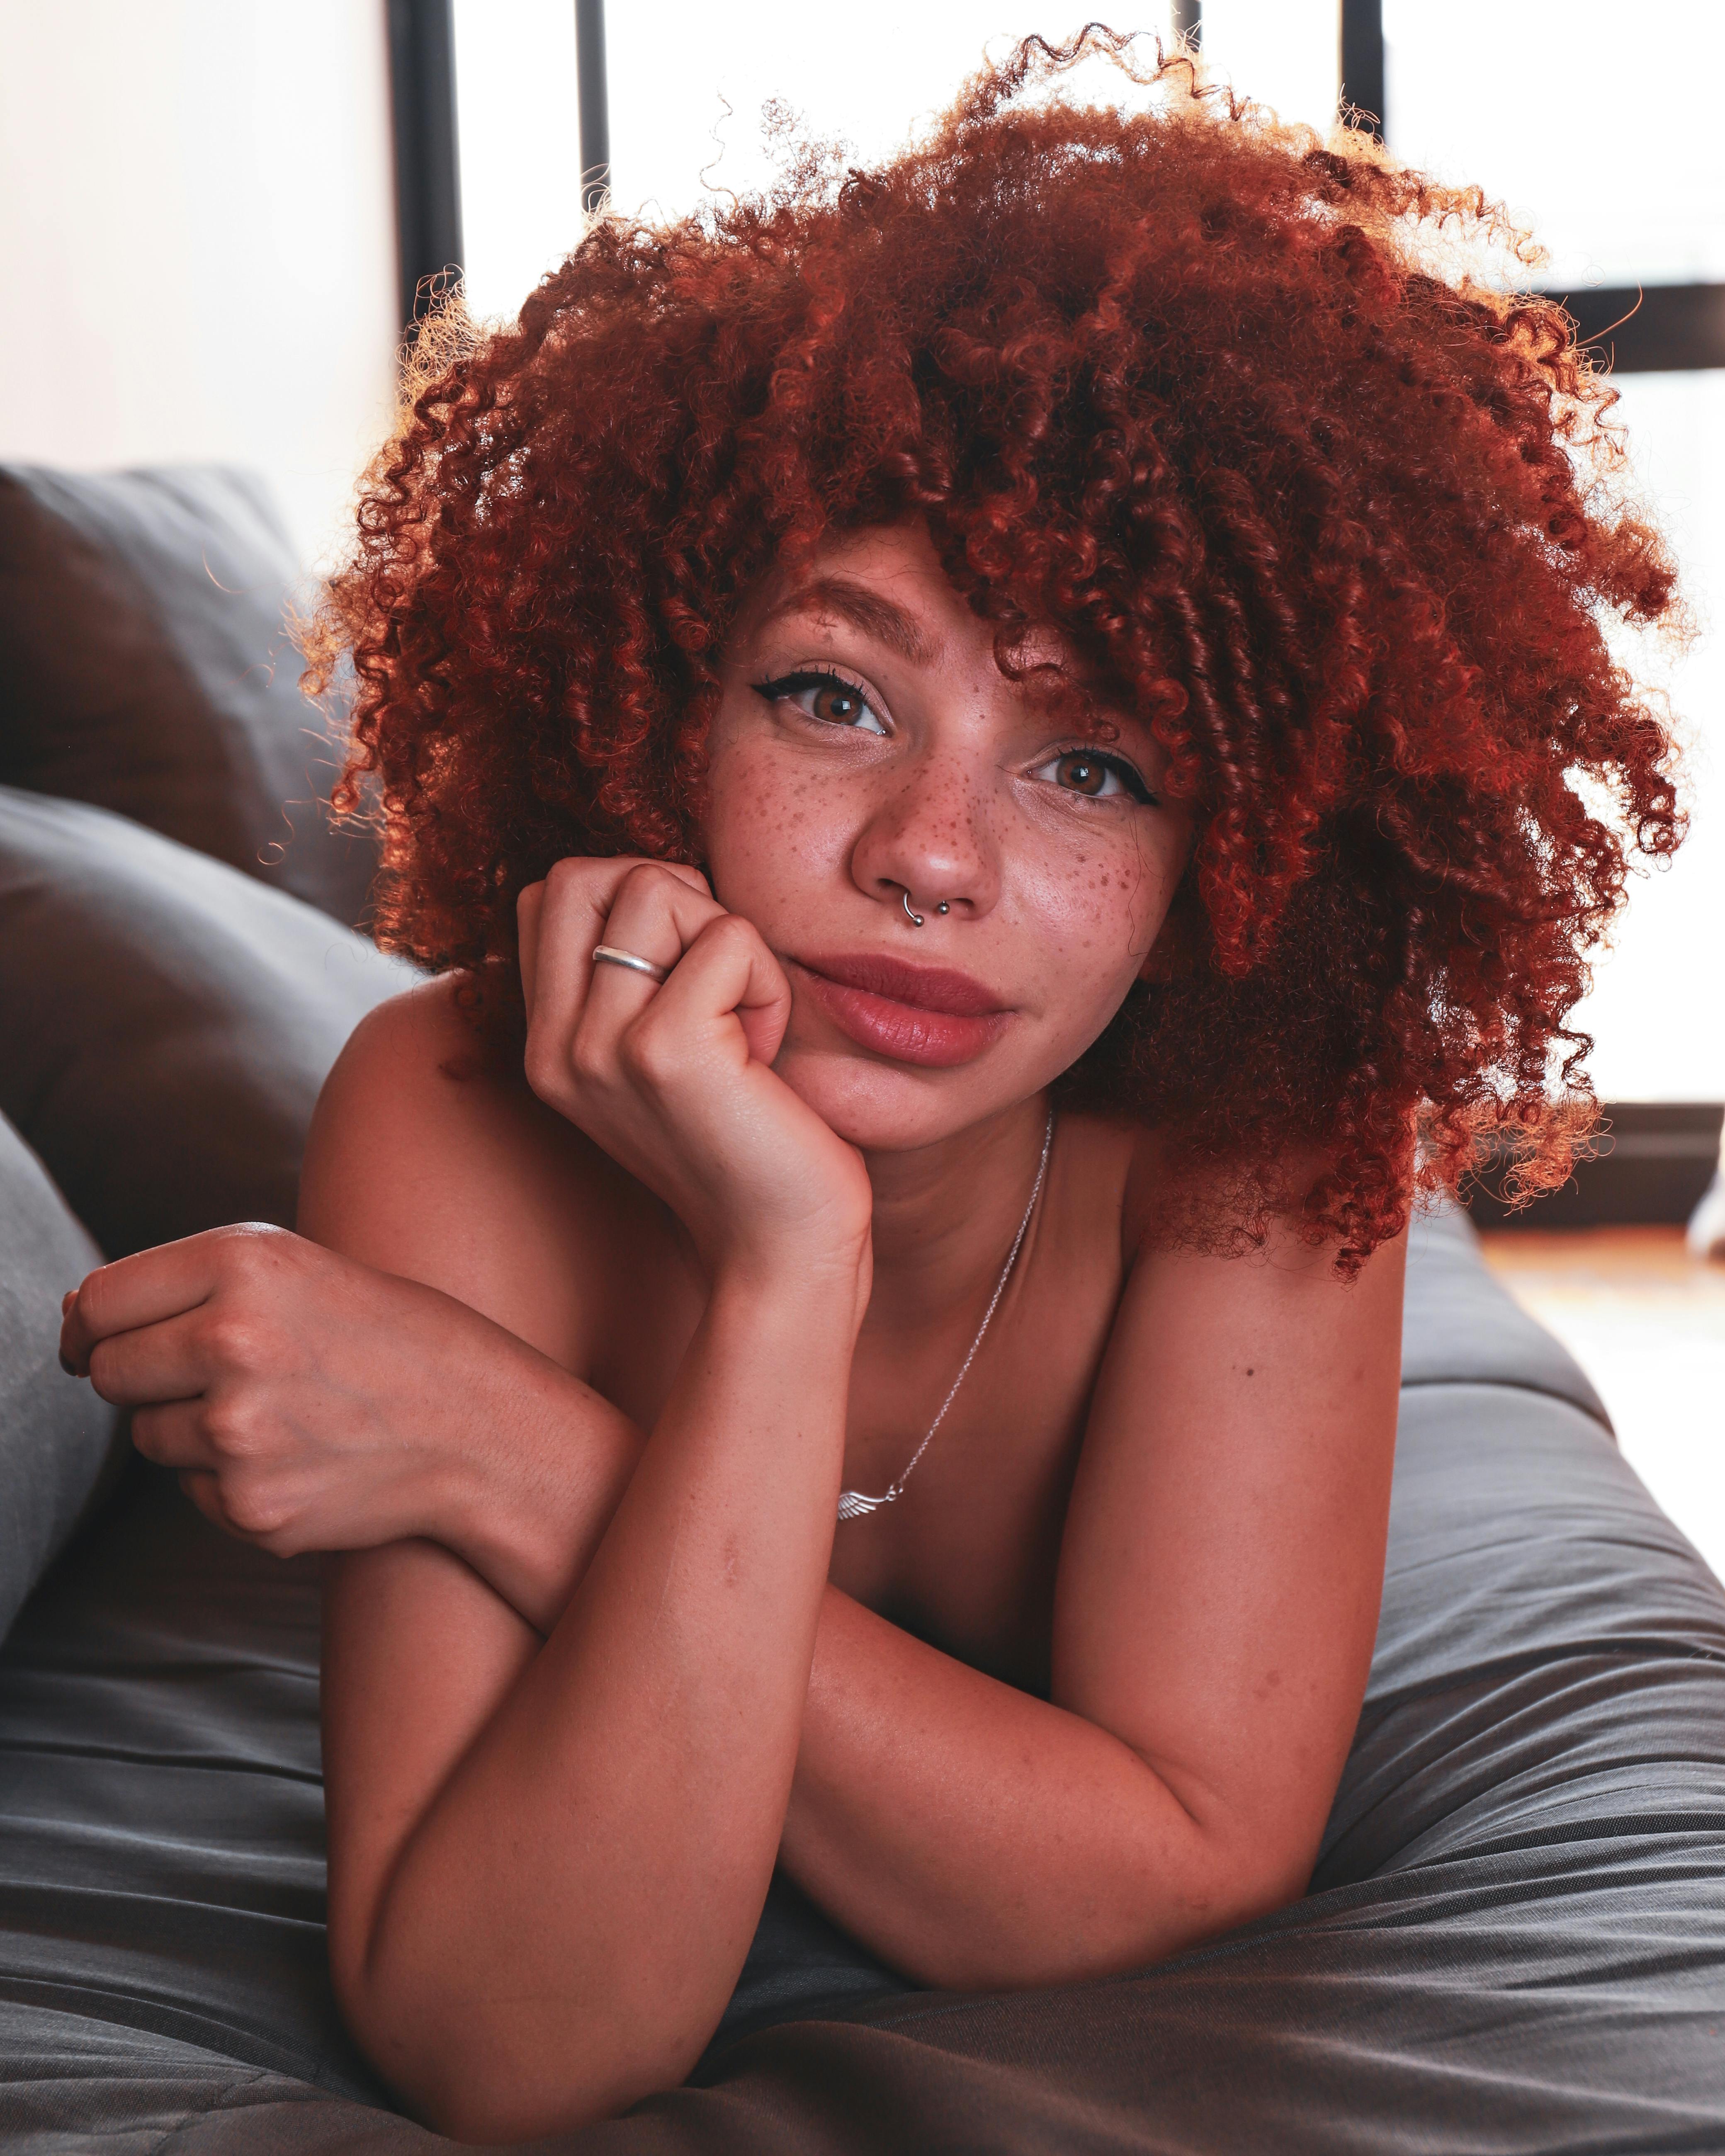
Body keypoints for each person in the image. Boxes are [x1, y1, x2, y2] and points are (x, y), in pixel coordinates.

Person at [58, 30, 1682, 2142]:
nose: (930, 855)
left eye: (1092, 762)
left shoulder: (1257, 1157)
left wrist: (526, 1458)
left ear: (1235, 852)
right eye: (831, 696)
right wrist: (781, 1266)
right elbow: (510, 2042)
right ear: (648, 704)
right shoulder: (444, 1101)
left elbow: (1170, 1861)